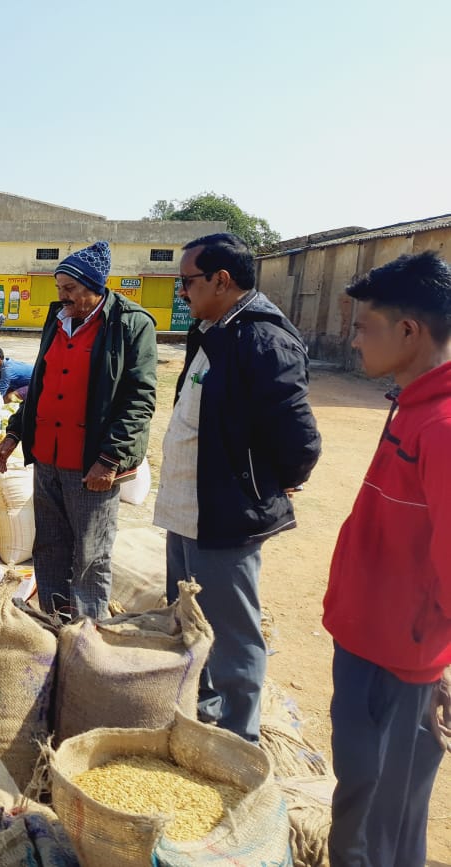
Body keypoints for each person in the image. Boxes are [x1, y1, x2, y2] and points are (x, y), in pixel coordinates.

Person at [153, 232, 321, 743]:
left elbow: (300, 439)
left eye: (187, 282)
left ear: (221, 281)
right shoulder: (215, 329)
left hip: (226, 513)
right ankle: (203, 710)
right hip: (189, 507)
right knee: (188, 619)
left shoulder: (263, 339)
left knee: (230, 630)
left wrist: (268, 484)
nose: (182, 292)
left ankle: (237, 738)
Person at [323, 251, 451, 865]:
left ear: (409, 331)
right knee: (363, 804)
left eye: (361, 326)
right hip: (369, 642)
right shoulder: (413, 403)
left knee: (379, 823)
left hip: (397, 662)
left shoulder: (444, 426)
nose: (351, 342)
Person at [0, 241, 157, 620]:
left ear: (94, 287)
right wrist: (15, 433)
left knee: (90, 554)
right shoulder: (59, 318)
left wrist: (110, 458)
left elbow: (139, 399)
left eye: (69, 289)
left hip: (91, 466)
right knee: (49, 546)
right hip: (48, 458)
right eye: (59, 289)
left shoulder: (131, 324)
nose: (62, 296)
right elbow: (42, 383)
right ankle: (54, 622)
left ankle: (87, 635)